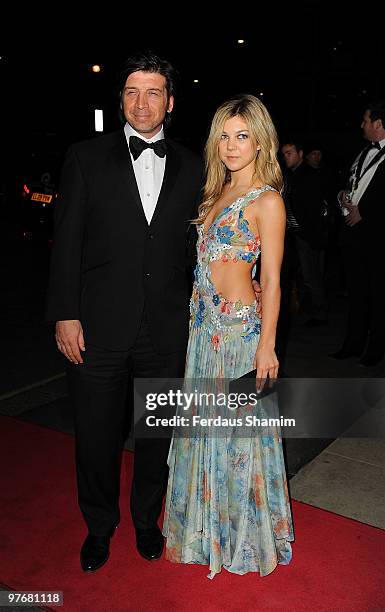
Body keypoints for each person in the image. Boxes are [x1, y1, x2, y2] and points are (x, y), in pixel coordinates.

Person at [45, 52, 204, 572]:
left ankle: (145, 521)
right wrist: (64, 313)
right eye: (133, 92)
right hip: (96, 328)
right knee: (95, 437)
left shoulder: (194, 164)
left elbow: (199, 246)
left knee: (157, 436)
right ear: (121, 100)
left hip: (164, 329)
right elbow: (65, 243)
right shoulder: (85, 157)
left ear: (170, 102)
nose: (142, 102)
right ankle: (98, 527)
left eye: (153, 92)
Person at [163, 94, 294, 578]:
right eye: (224, 135)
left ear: (261, 142)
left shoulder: (267, 200)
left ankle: (240, 536)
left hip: (240, 341)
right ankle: (203, 531)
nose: (232, 145)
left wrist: (267, 346)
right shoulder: (213, 194)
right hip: (203, 337)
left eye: (242, 136)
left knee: (239, 441)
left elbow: (274, 281)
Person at [331, 100, 385, 367]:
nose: (361, 125)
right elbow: (347, 180)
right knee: (356, 293)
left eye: (365, 120)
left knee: (377, 296)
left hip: (377, 239)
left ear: (378, 124)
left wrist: (366, 213)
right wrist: (341, 194)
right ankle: (352, 344)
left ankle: (375, 349)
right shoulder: (362, 152)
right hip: (353, 237)